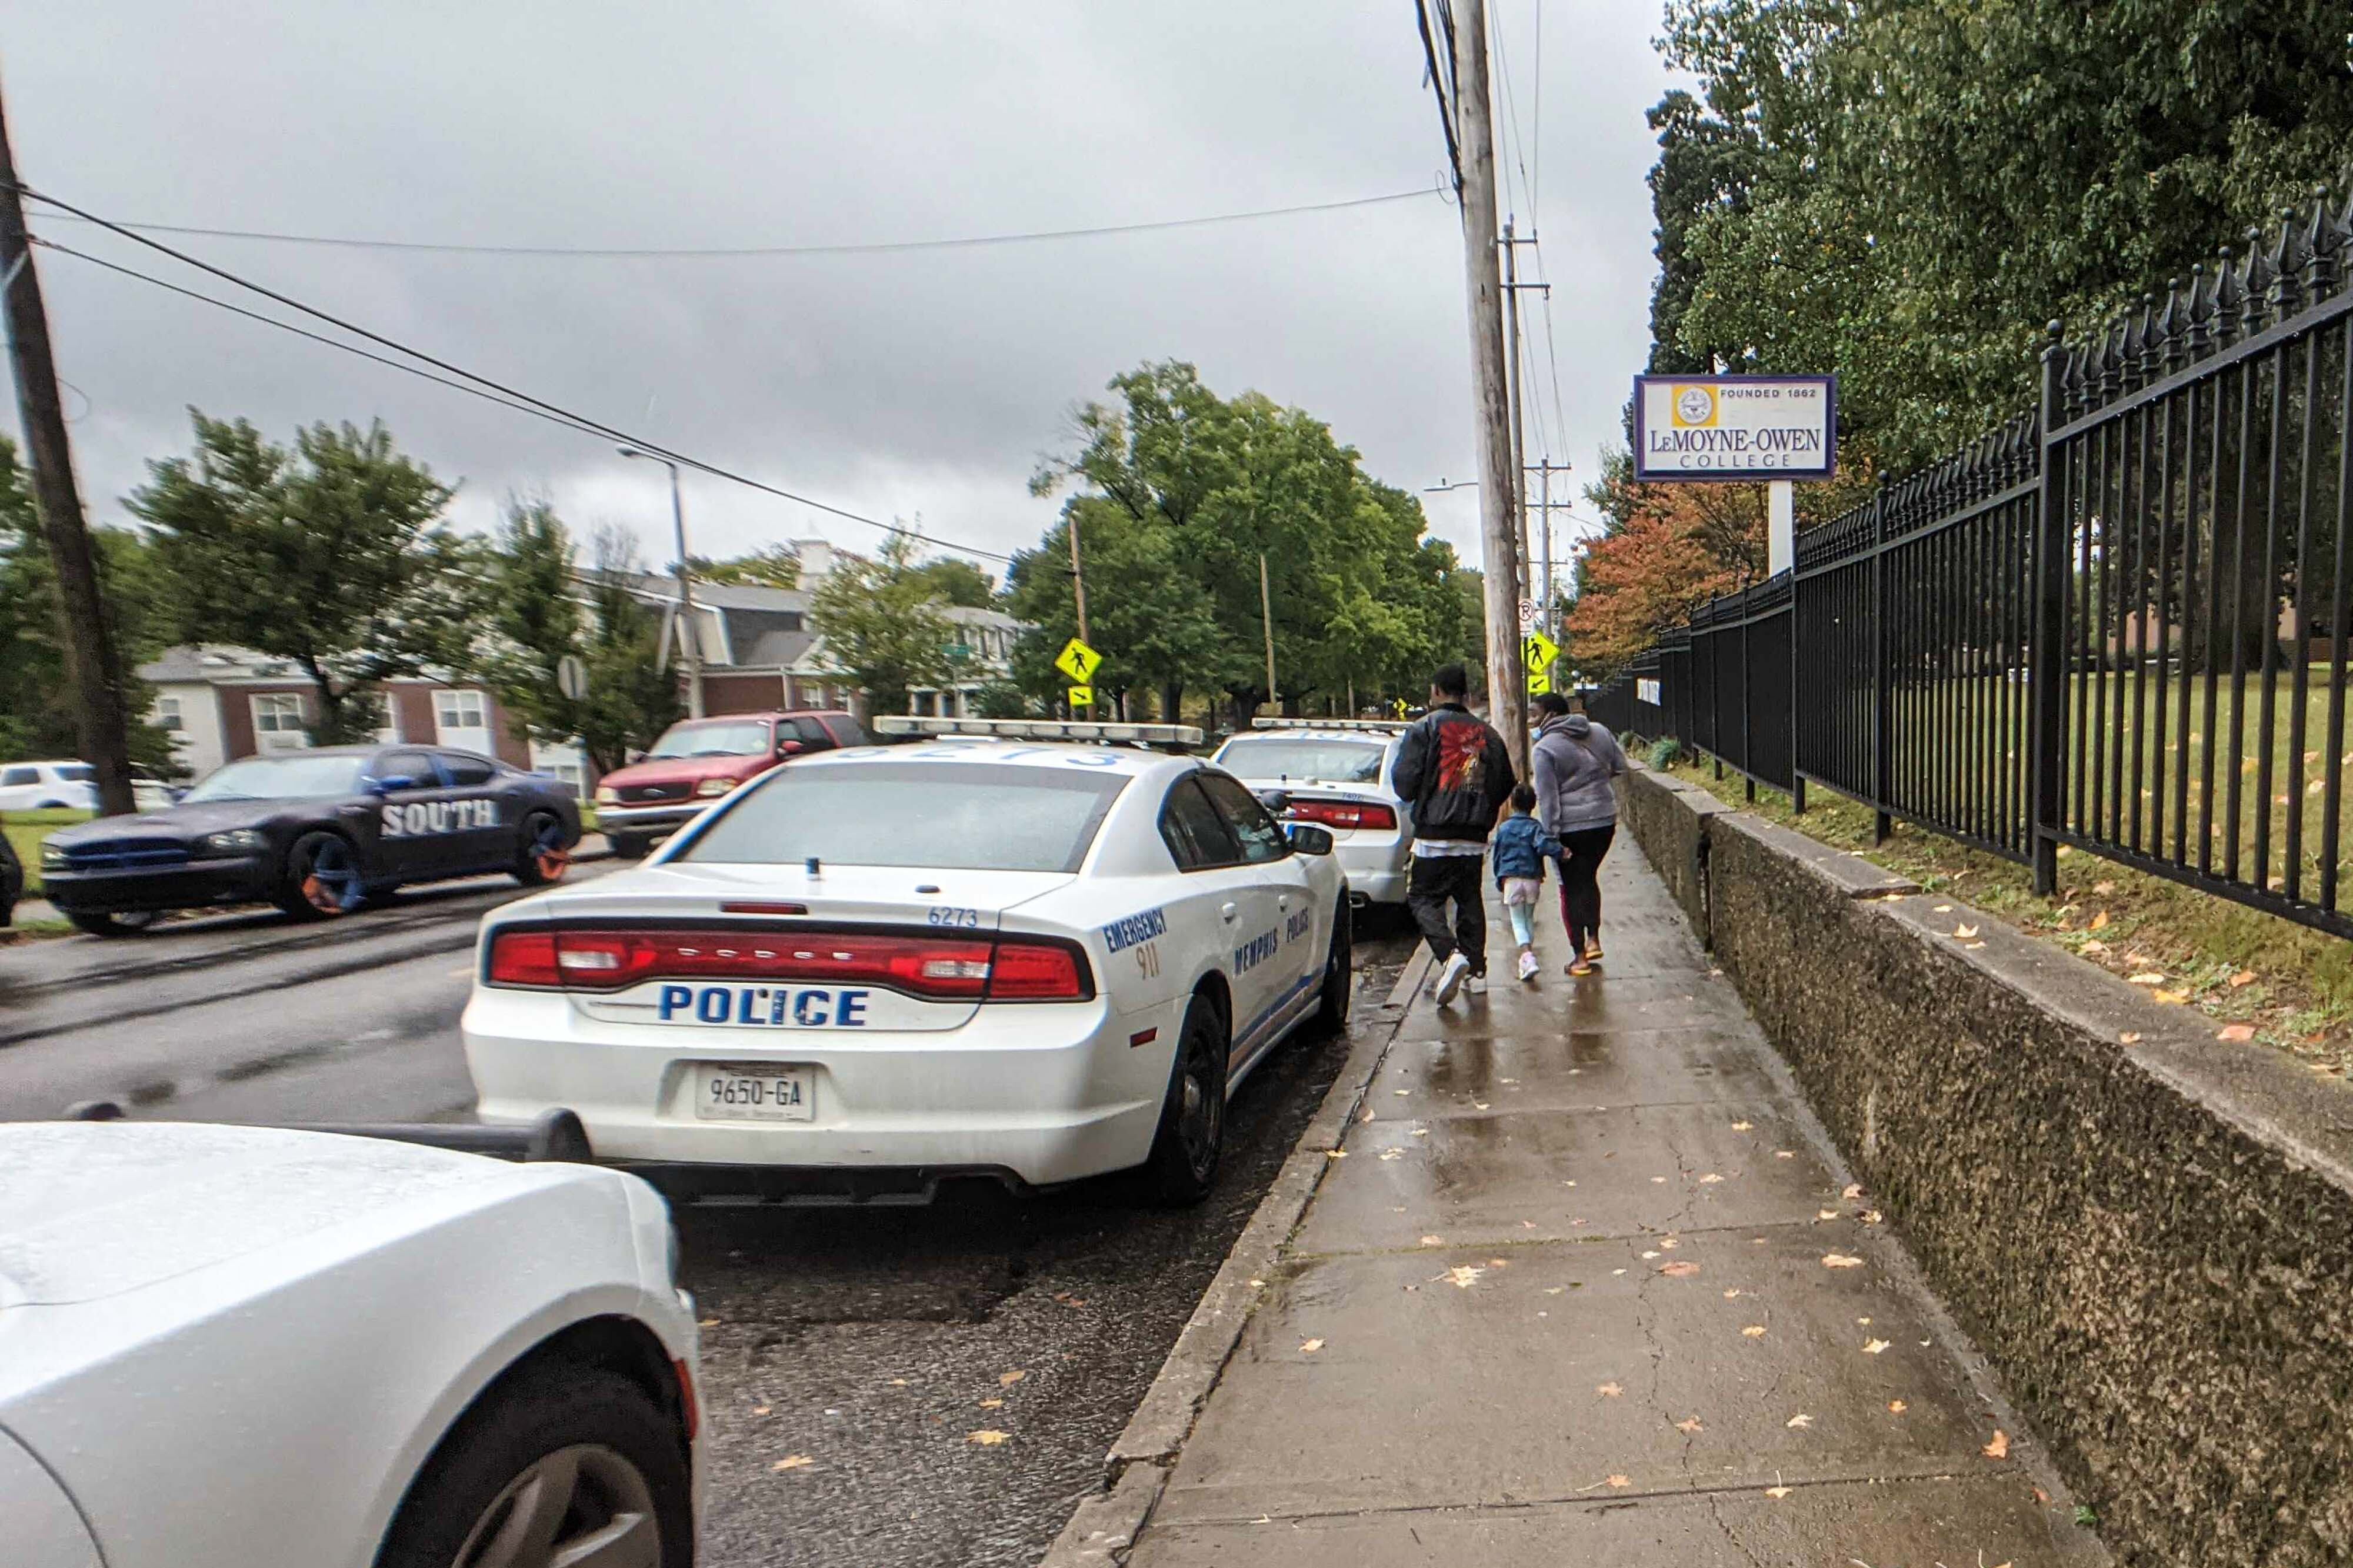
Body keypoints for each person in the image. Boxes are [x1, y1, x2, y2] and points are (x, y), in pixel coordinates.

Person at [1390, 662, 1517, 1002]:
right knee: (1470, 901)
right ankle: (1477, 972)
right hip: (1473, 838)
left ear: (1435, 692)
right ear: (1468, 695)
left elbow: (1404, 784)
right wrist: (1484, 810)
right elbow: (1506, 780)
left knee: (1422, 898)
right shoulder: (1487, 734)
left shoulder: (1424, 729)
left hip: (1433, 835)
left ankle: (1450, 955)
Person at [1530, 690, 1627, 977]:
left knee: (1571, 888)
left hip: (1571, 828)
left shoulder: (1545, 749)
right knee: (1588, 879)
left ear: (1550, 715)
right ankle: (1594, 939)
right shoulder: (1599, 731)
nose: (1530, 721)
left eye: (1534, 714)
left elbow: (1548, 800)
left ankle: (1580, 958)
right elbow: (1620, 767)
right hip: (1605, 821)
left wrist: (1551, 838)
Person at [1491, 782, 1561, 983]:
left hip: (1511, 878)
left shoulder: (1504, 829)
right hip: (1532, 879)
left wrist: (1499, 879)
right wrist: (1560, 851)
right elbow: (1543, 845)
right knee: (1528, 918)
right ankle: (1527, 959)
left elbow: (1498, 857)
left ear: (1512, 804)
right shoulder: (1535, 827)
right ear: (1533, 805)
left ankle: (1527, 957)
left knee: (1517, 921)